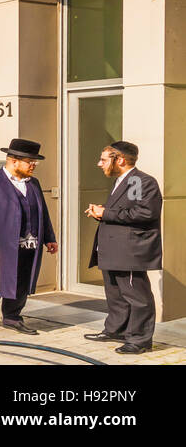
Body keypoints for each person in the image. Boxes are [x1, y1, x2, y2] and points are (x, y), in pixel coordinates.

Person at [0, 138, 58, 334]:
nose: (34, 166)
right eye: (30, 162)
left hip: (28, 245)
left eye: (35, 162)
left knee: (22, 282)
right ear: (14, 160)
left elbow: (43, 212)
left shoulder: (33, 183)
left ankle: (12, 317)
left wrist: (49, 237)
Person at [83, 141, 162, 355]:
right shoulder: (122, 180)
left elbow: (144, 213)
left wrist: (104, 213)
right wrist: (103, 211)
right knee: (115, 294)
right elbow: (128, 210)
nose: (99, 164)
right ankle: (116, 330)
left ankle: (139, 340)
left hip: (129, 251)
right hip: (114, 250)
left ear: (120, 160)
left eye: (103, 159)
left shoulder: (137, 180)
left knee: (137, 297)